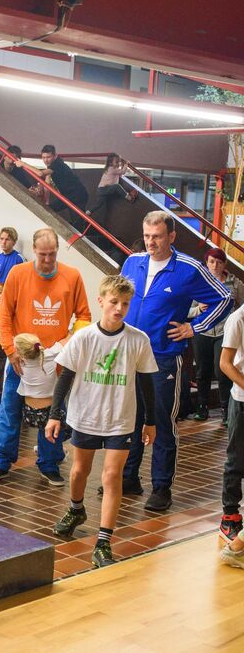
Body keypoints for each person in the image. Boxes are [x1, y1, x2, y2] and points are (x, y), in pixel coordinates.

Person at [120, 211, 232, 511]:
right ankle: (128, 477)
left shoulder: (188, 268)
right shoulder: (133, 262)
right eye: (147, 236)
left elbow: (224, 298)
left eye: (157, 236)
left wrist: (194, 327)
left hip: (164, 357)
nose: (151, 242)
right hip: (129, 356)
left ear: (171, 236)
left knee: (161, 421)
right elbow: (120, 297)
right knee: (131, 418)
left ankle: (161, 487)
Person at [48, 274, 158, 568]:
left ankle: (103, 542)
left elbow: (147, 384)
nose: (119, 308)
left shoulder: (138, 340)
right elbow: (65, 377)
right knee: (79, 472)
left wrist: (150, 420)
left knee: (111, 476)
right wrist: (54, 415)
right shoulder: (84, 337)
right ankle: (76, 509)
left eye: (125, 303)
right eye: (114, 302)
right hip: (86, 415)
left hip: (120, 420)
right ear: (101, 301)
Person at [0, 227, 92, 486]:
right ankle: (0, 462)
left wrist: (67, 343)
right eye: (42, 254)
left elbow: (84, 316)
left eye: (52, 254)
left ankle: (49, 462)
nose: (47, 259)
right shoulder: (17, 274)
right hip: (20, 359)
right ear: (33, 250)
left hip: (55, 361)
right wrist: (10, 350)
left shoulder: (72, 276)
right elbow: (4, 315)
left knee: (53, 412)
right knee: (9, 410)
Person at [191, 248, 244, 423]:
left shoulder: (234, 283)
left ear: (224, 264)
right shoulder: (198, 282)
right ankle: (202, 407)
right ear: (206, 263)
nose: (215, 265)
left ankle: (225, 409)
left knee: (222, 370)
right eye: (212, 261)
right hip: (202, 331)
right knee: (202, 370)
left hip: (225, 332)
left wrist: (233, 318)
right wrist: (198, 309)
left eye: (219, 262)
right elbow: (186, 310)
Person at [219, 301, 244, 545]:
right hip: (241, 400)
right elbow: (225, 363)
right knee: (236, 459)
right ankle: (230, 516)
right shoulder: (238, 319)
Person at [13, 332, 67, 438]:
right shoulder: (50, 354)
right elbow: (66, 340)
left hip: (29, 414)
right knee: (61, 432)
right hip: (50, 413)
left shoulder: (19, 362)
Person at [39, 145, 90, 228]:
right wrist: (46, 201)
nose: (46, 160)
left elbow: (40, 173)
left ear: (55, 156)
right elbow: (47, 184)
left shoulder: (58, 164)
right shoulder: (51, 166)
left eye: (48, 157)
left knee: (77, 223)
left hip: (77, 196)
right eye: (43, 157)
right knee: (50, 208)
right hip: (68, 196)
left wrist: (23, 164)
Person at [0, 227, 24, 294]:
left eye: (7, 239)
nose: (3, 242)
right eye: (1, 239)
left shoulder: (19, 259)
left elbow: (23, 282)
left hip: (10, 296)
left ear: (14, 242)